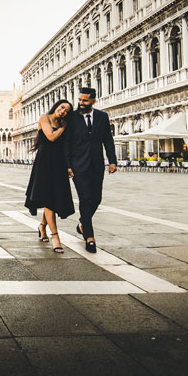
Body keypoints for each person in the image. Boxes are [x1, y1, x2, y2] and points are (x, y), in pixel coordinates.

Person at [64, 87, 117, 254]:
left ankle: (82, 223)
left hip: (96, 164)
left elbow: (108, 140)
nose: (80, 103)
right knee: (85, 198)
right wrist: (67, 165)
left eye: (84, 100)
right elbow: (66, 143)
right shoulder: (72, 117)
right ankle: (89, 237)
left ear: (93, 100)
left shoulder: (102, 117)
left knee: (97, 198)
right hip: (78, 165)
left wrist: (112, 161)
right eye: (79, 100)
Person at [25, 99, 74, 254]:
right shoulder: (44, 118)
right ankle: (55, 237)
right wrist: (64, 127)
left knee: (53, 198)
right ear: (56, 106)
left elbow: (66, 145)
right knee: (48, 198)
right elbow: (51, 137)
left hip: (59, 163)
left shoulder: (63, 123)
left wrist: (68, 166)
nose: (63, 111)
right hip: (45, 162)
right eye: (62, 107)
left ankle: (42, 226)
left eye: (67, 111)